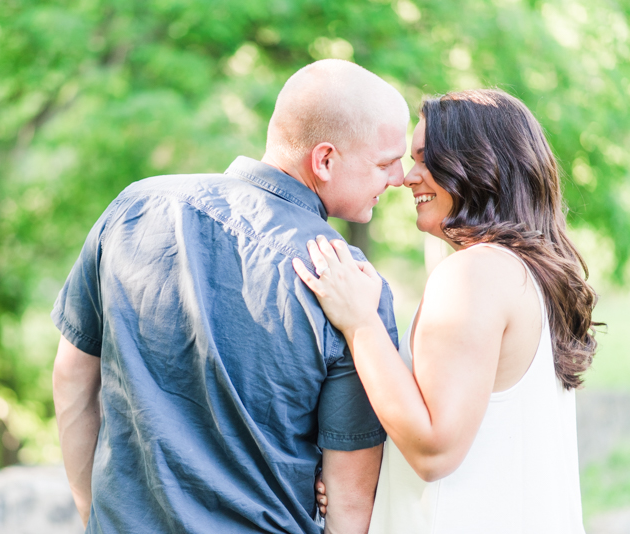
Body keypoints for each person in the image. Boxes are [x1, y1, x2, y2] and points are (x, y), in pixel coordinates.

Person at [51, 59, 410, 533]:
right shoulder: (350, 285)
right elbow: (349, 502)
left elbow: (73, 378)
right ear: (324, 160)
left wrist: (95, 515)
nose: (401, 177)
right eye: (386, 162)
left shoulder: (134, 209)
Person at [295, 89, 598, 533]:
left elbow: (435, 450)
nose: (407, 177)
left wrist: (360, 323)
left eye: (425, 158)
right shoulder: (529, 275)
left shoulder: (475, 274)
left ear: (477, 164)